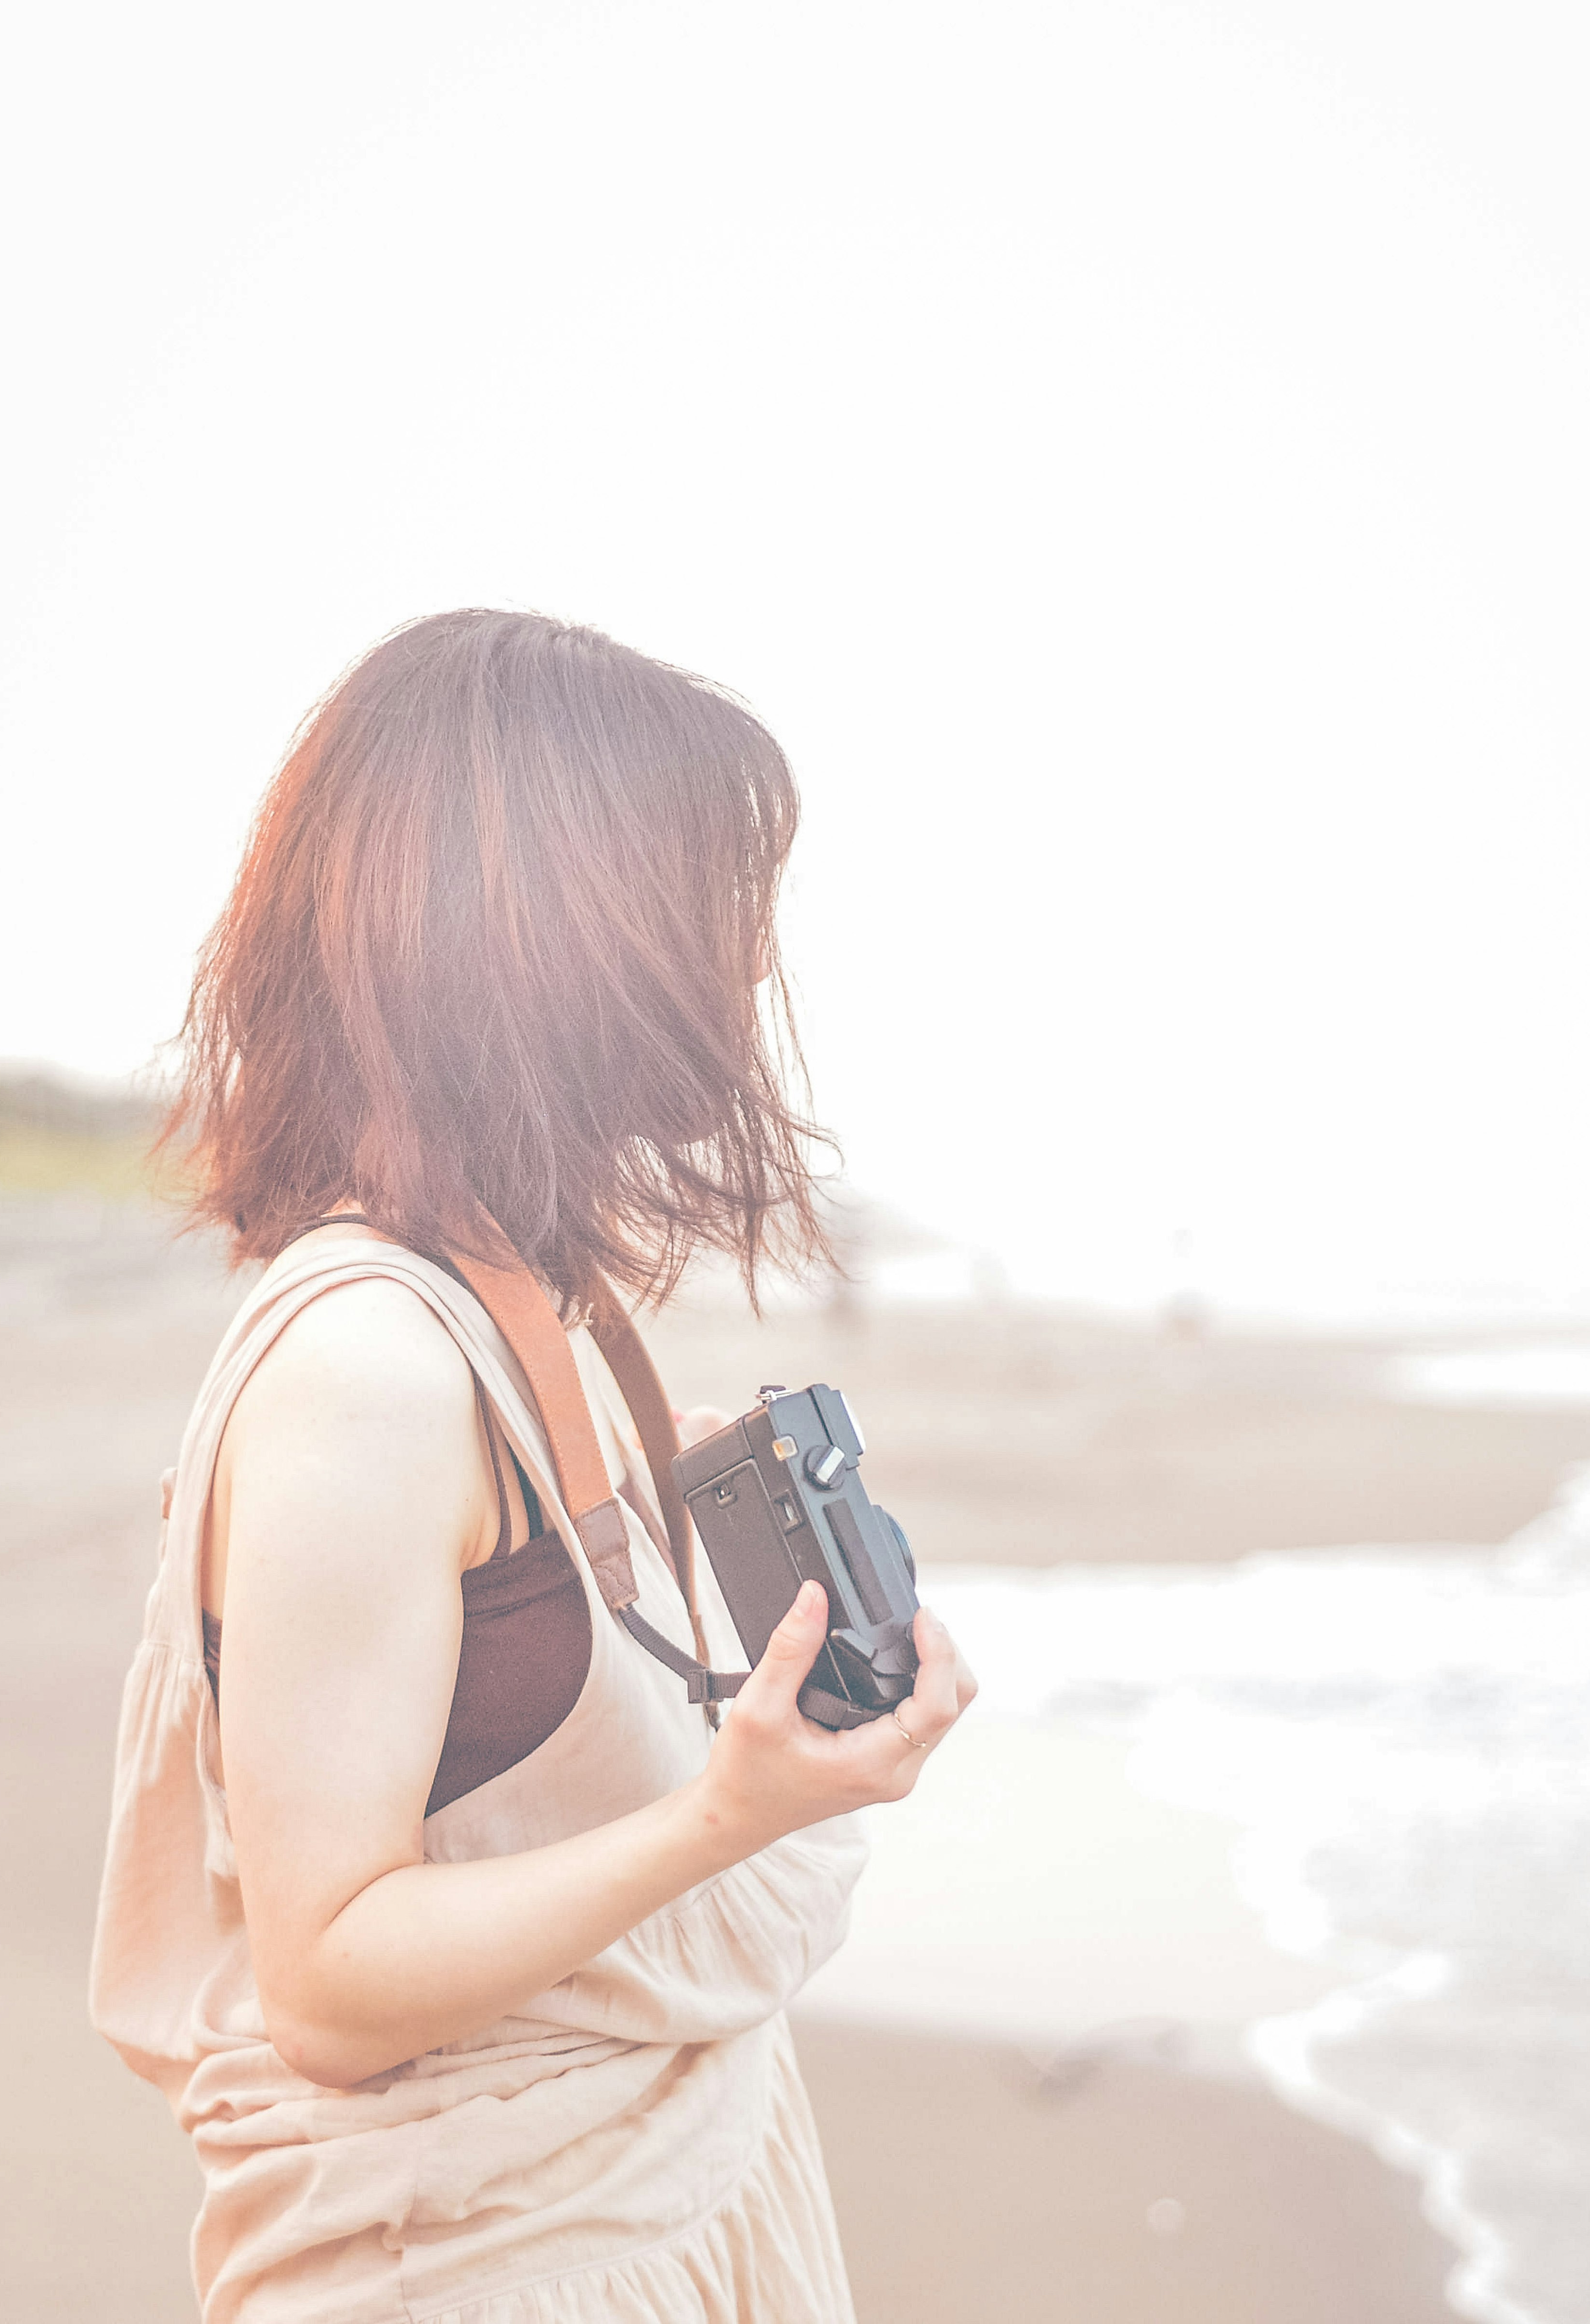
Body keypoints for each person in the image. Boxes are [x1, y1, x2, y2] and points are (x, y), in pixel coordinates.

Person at [90, 609, 977, 2324]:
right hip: (486, 2263)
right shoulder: (367, 1368)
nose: (744, 974)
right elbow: (332, 1979)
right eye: (706, 906)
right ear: (549, 937)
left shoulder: (541, 1300)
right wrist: (736, 1812)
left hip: (670, 2198)